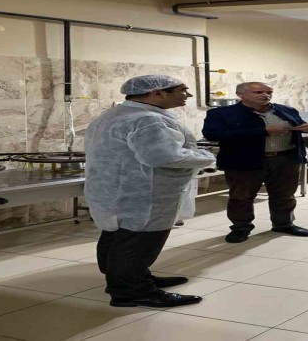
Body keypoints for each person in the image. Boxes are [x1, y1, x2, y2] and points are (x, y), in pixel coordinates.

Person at [85, 75, 216, 308]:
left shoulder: (116, 114)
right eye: (182, 90)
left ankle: (130, 278)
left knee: (117, 237)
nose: (187, 95)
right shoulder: (147, 120)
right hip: (144, 194)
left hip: (118, 190)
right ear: (157, 93)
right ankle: (132, 292)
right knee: (139, 242)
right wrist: (206, 157)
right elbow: (163, 156)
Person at [202, 82, 308, 243]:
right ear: (240, 94)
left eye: (269, 92)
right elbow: (212, 134)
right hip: (244, 161)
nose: (266, 95)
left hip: (285, 159)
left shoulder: (285, 110)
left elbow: (301, 125)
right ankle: (240, 228)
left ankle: (284, 224)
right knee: (242, 197)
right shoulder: (222, 113)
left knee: (285, 195)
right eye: (258, 92)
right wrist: (263, 131)